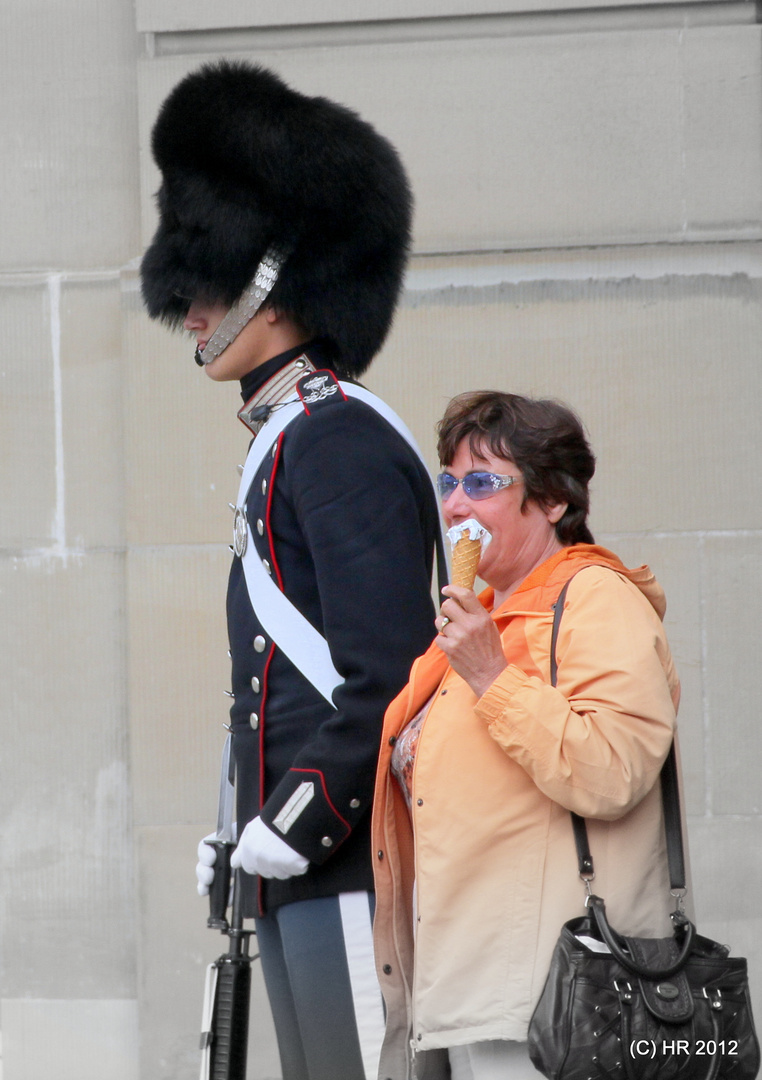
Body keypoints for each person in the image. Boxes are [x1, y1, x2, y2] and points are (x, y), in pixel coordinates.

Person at [140, 61, 441, 1080]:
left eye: (207, 276)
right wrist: (245, 834)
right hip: (304, 868)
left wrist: (305, 810)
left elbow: (389, 670)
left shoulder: (336, 440)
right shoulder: (295, 437)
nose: (187, 306)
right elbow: (273, 684)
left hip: (355, 862)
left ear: (276, 277)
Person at [371, 391, 685, 1080]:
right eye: (448, 483)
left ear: (551, 501)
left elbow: (613, 771)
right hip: (475, 986)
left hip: (562, 994)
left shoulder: (596, 599)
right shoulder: (486, 613)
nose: (456, 506)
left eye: (482, 483)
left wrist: (492, 676)